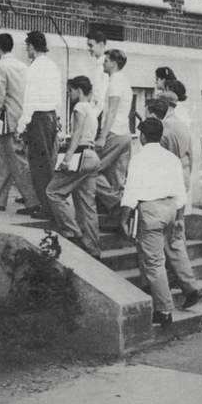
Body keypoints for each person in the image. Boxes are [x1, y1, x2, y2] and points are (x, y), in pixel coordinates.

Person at [118, 118, 190, 327]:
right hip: (170, 208)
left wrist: (123, 219)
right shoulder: (172, 159)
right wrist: (179, 218)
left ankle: (164, 310)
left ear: (142, 136)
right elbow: (181, 192)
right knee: (156, 256)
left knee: (154, 263)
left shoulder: (139, 159)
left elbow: (131, 193)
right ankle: (154, 293)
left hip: (151, 211)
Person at [145, 95, 202, 310]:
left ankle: (171, 287)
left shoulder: (163, 128)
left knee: (165, 239)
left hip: (166, 185)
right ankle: (188, 284)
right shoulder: (182, 125)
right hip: (182, 179)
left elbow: (160, 162)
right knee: (176, 236)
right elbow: (192, 157)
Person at [45, 76, 102, 257]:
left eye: (70, 91)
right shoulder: (92, 109)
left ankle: (72, 232)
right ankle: (93, 248)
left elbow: (77, 133)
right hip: (93, 156)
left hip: (81, 155)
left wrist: (67, 158)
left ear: (78, 90)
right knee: (87, 204)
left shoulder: (79, 107)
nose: (69, 94)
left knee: (53, 192)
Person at [0, 33, 41, 212]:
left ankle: (33, 201)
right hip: (24, 117)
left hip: (8, 119)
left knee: (16, 161)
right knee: (8, 159)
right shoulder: (23, 66)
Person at [18, 30, 62, 216]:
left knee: (39, 164)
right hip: (51, 115)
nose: (26, 50)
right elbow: (58, 96)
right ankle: (48, 204)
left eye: (27, 46)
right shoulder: (53, 66)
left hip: (38, 117)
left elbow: (30, 99)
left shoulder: (35, 68)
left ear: (32, 47)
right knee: (47, 161)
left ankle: (47, 207)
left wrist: (22, 124)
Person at [94, 49, 134, 222]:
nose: (103, 63)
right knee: (117, 176)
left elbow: (112, 111)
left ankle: (118, 204)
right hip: (125, 133)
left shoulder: (116, 82)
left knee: (90, 170)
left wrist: (102, 136)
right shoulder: (123, 81)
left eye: (106, 60)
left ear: (113, 63)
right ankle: (119, 217)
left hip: (114, 132)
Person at [85, 28, 108, 115]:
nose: (89, 49)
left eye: (91, 45)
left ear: (101, 45)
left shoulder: (105, 66)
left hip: (100, 112)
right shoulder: (97, 65)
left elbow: (101, 95)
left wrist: (93, 115)